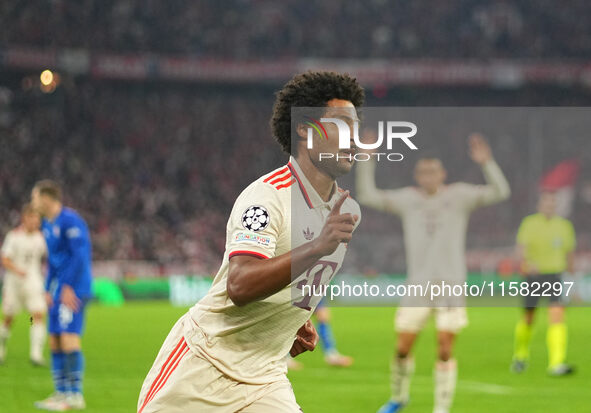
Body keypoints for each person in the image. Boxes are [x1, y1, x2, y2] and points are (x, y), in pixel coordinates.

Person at [137, 71, 364, 413]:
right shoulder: (266, 198)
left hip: (264, 378)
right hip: (203, 366)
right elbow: (240, 285)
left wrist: (291, 317)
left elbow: (293, 277)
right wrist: (318, 245)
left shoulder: (346, 211)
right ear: (305, 129)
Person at [356, 133, 510, 413]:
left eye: (433, 171)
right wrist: (367, 160)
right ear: (417, 175)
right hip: (418, 285)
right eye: (423, 171)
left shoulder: (459, 195)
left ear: (443, 174)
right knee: (403, 347)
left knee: (444, 348)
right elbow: (367, 195)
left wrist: (487, 163)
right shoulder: (407, 199)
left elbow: (501, 192)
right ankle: (399, 398)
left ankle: (441, 409)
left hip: (451, 284)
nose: (428, 176)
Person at [31, 180, 93, 411]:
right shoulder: (47, 225)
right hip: (58, 290)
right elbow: (54, 261)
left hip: (74, 290)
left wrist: (67, 287)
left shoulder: (70, 220)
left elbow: (80, 257)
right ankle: (61, 393)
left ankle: (75, 395)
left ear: (47, 198)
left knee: (68, 337)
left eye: (35, 197)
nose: (33, 202)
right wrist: (48, 288)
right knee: (55, 340)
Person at [512, 191, 576, 376]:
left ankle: (556, 363)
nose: (550, 207)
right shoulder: (530, 224)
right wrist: (525, 264)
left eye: (553, 204)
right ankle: (520, 356)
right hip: (534, 276)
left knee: (557, 316)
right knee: (529, 318)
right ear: (540, 205)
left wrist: (573, 280)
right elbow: (520, 249)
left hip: (554, 275)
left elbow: (569, 253)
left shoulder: (564, 226)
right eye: (546, 203)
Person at [0, 203, 48, 366]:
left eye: (37, 219)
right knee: (9, 318)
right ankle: (1, 349)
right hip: (13, 283)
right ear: (24, 219)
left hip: (33, 281)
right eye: (32, 219)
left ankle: (36, 354)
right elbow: (4, 259)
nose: (35, 223)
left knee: (37, 315)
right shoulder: (14, 236)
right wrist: (17, 270)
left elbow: (48, 257)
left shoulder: (40, 238)